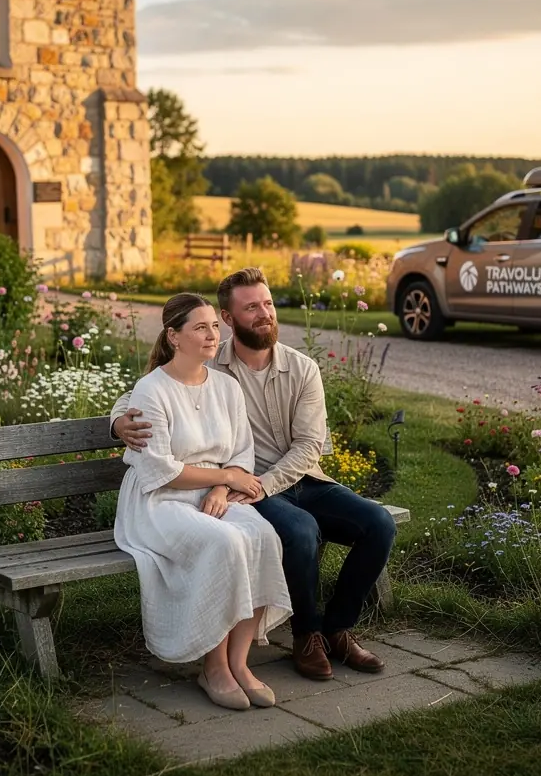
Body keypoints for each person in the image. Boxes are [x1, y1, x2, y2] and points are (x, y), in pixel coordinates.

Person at [112, 268, 397, 682]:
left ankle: (337, 629)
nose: (264, 313)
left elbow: (308, 446)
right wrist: (118, 422)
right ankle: (306, 635)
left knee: (379, 523)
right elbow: (147, 389)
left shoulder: (302, 369)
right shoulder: (211, 360)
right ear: (229, 318)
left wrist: (256, 484)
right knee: (300, 532)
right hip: (244, 485)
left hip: (290, 480)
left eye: (268, 304)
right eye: (251, 308)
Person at [113, 291, 292, 711]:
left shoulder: (226, 387)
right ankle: (213, 668)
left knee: (263, 536)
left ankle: (239, 663)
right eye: (200, 327)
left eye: (214, 326)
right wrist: (224, 477)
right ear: (174, 336)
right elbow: (161, 470)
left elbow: (241, 452)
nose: (213, 334)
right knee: (225, 543)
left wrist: (221, 488)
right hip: (160, 501)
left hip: (213, 495)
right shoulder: (151, 390)